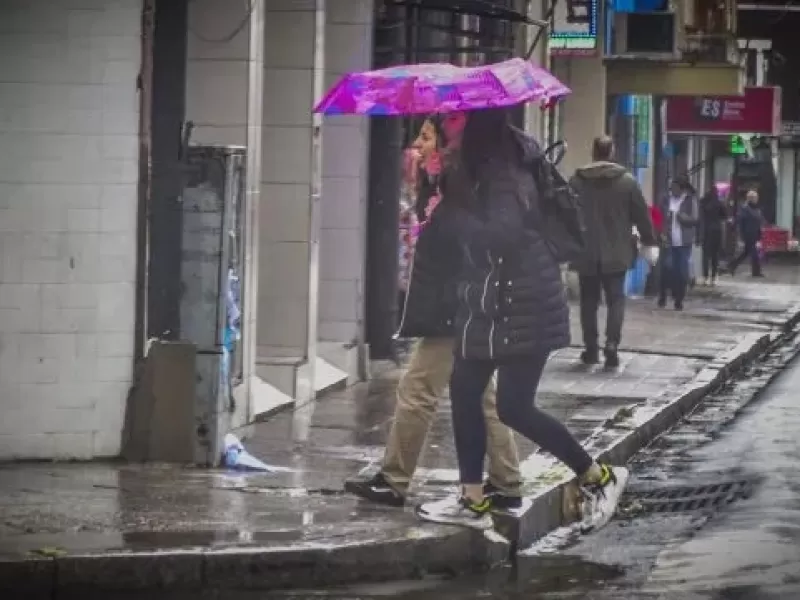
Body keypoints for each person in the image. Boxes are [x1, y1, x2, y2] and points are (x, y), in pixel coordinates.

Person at [416, 108, 628, 532]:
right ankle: (472, 496)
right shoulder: (477, 167)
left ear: (476, 126)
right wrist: (435, 189)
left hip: (525, 301)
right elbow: (461, 236)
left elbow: (502, 234)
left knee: (513, 406)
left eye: (454, 121)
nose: (445, 128)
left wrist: (451, 211)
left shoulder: (505, 172)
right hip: (491, 301)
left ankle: (598, 476)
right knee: (464, 389)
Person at [345, 113, 523, 510]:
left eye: (426, 137)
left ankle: (394, 481)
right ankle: (507, 480)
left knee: (417, 390)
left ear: (446, 142)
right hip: (462, 306)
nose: (418, 145)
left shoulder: (457, 184)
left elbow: (465, 247)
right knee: (483, 395)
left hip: (454, 309)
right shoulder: (447, 182)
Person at [569, 136, 658, 368]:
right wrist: (650, 241)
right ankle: (611, 344)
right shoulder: (627, 182)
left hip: (585, 250)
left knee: (588, 301)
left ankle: (590, 348)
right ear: (612, 152)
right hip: (617, 251)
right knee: (616, 300)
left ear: (593, 152)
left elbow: (566, 212)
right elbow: (641, 215)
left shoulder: (577, 182)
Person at [658, 176, 699, 310]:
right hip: (668, 240)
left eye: (675, 188)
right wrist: (661, 231)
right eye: (671, 188)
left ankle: (678, 299)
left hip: (683, 242)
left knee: (681, 271)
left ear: (682, 189)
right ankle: (662, 296)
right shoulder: (666, 199)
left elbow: (694, 219)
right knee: (666, 268)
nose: (673, 191)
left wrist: (681, 217)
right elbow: (658, 216)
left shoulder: (689, 200)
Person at [729, 189, 764, 277]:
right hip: (748, 234)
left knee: (746, 253)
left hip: (754, 233)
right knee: (754, 253)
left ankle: (732, 265)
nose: (757, 199)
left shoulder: (756, 208)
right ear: (751, 198)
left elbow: (759, 221)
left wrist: (760, 232)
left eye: (757, 197)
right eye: (755, 197)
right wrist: (741, 234)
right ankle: (756, 272)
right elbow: (740, 221)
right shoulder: (745, 208)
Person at [698, 184, 727, 286]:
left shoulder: (703, 202)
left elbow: (700, 217)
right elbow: (724, 215)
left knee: (705, 255)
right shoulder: (719, 203)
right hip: (717, 231)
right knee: (715, 255)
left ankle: (705, 276)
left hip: (706, 230)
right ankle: (714, 277)